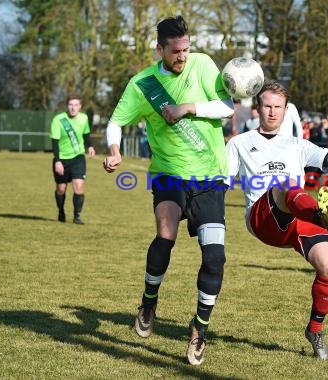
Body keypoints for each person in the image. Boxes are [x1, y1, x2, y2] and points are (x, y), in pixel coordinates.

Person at [102, 16, 234, 366]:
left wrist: (187, 107)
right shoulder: (143, 83)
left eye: (186, 49)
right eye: (176, 51)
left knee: (215, 257)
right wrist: (114, 149)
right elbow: (116, 121)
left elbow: (226, 108)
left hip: (209, 177)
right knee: (166, 234)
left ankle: (199, 329)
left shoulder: (203, 64)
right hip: (168, 175)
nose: (183, 57)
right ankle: (149, 301)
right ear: (159, 48)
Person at [225, 81, 328, 360]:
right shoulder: (240, 143)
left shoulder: (297, 145)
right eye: (267, 106)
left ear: (286, 110)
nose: (273, 112)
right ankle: (321, 215)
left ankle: (315, 329)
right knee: (285, 185)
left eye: (278, 107)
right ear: (258, 108)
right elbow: (222, 182)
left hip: (298, 214)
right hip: (263, 218)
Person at [50, 94, 96, 225]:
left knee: (79, 186)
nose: (73, 108)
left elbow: (86, 134)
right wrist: (57, 161)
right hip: (62, 159)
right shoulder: (58, 120)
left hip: (78, 157)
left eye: (76, 105)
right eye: (70, 105)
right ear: (67, 106)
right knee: (61, 189)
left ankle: (77, 216)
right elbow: (54, 141)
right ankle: (61, 211)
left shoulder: (84, 118)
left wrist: (90, 146)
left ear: (80, 106)